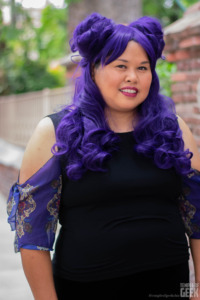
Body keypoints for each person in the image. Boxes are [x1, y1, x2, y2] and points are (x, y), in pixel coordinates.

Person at [7, 12, 200, 300]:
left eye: (143, 68)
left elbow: (197, 218)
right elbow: (32, 236)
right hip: (85, 289)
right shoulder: (56, 133)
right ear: (94, 69)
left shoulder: (173, 129)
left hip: (168, 285)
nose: (132, 77)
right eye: (120, 65)